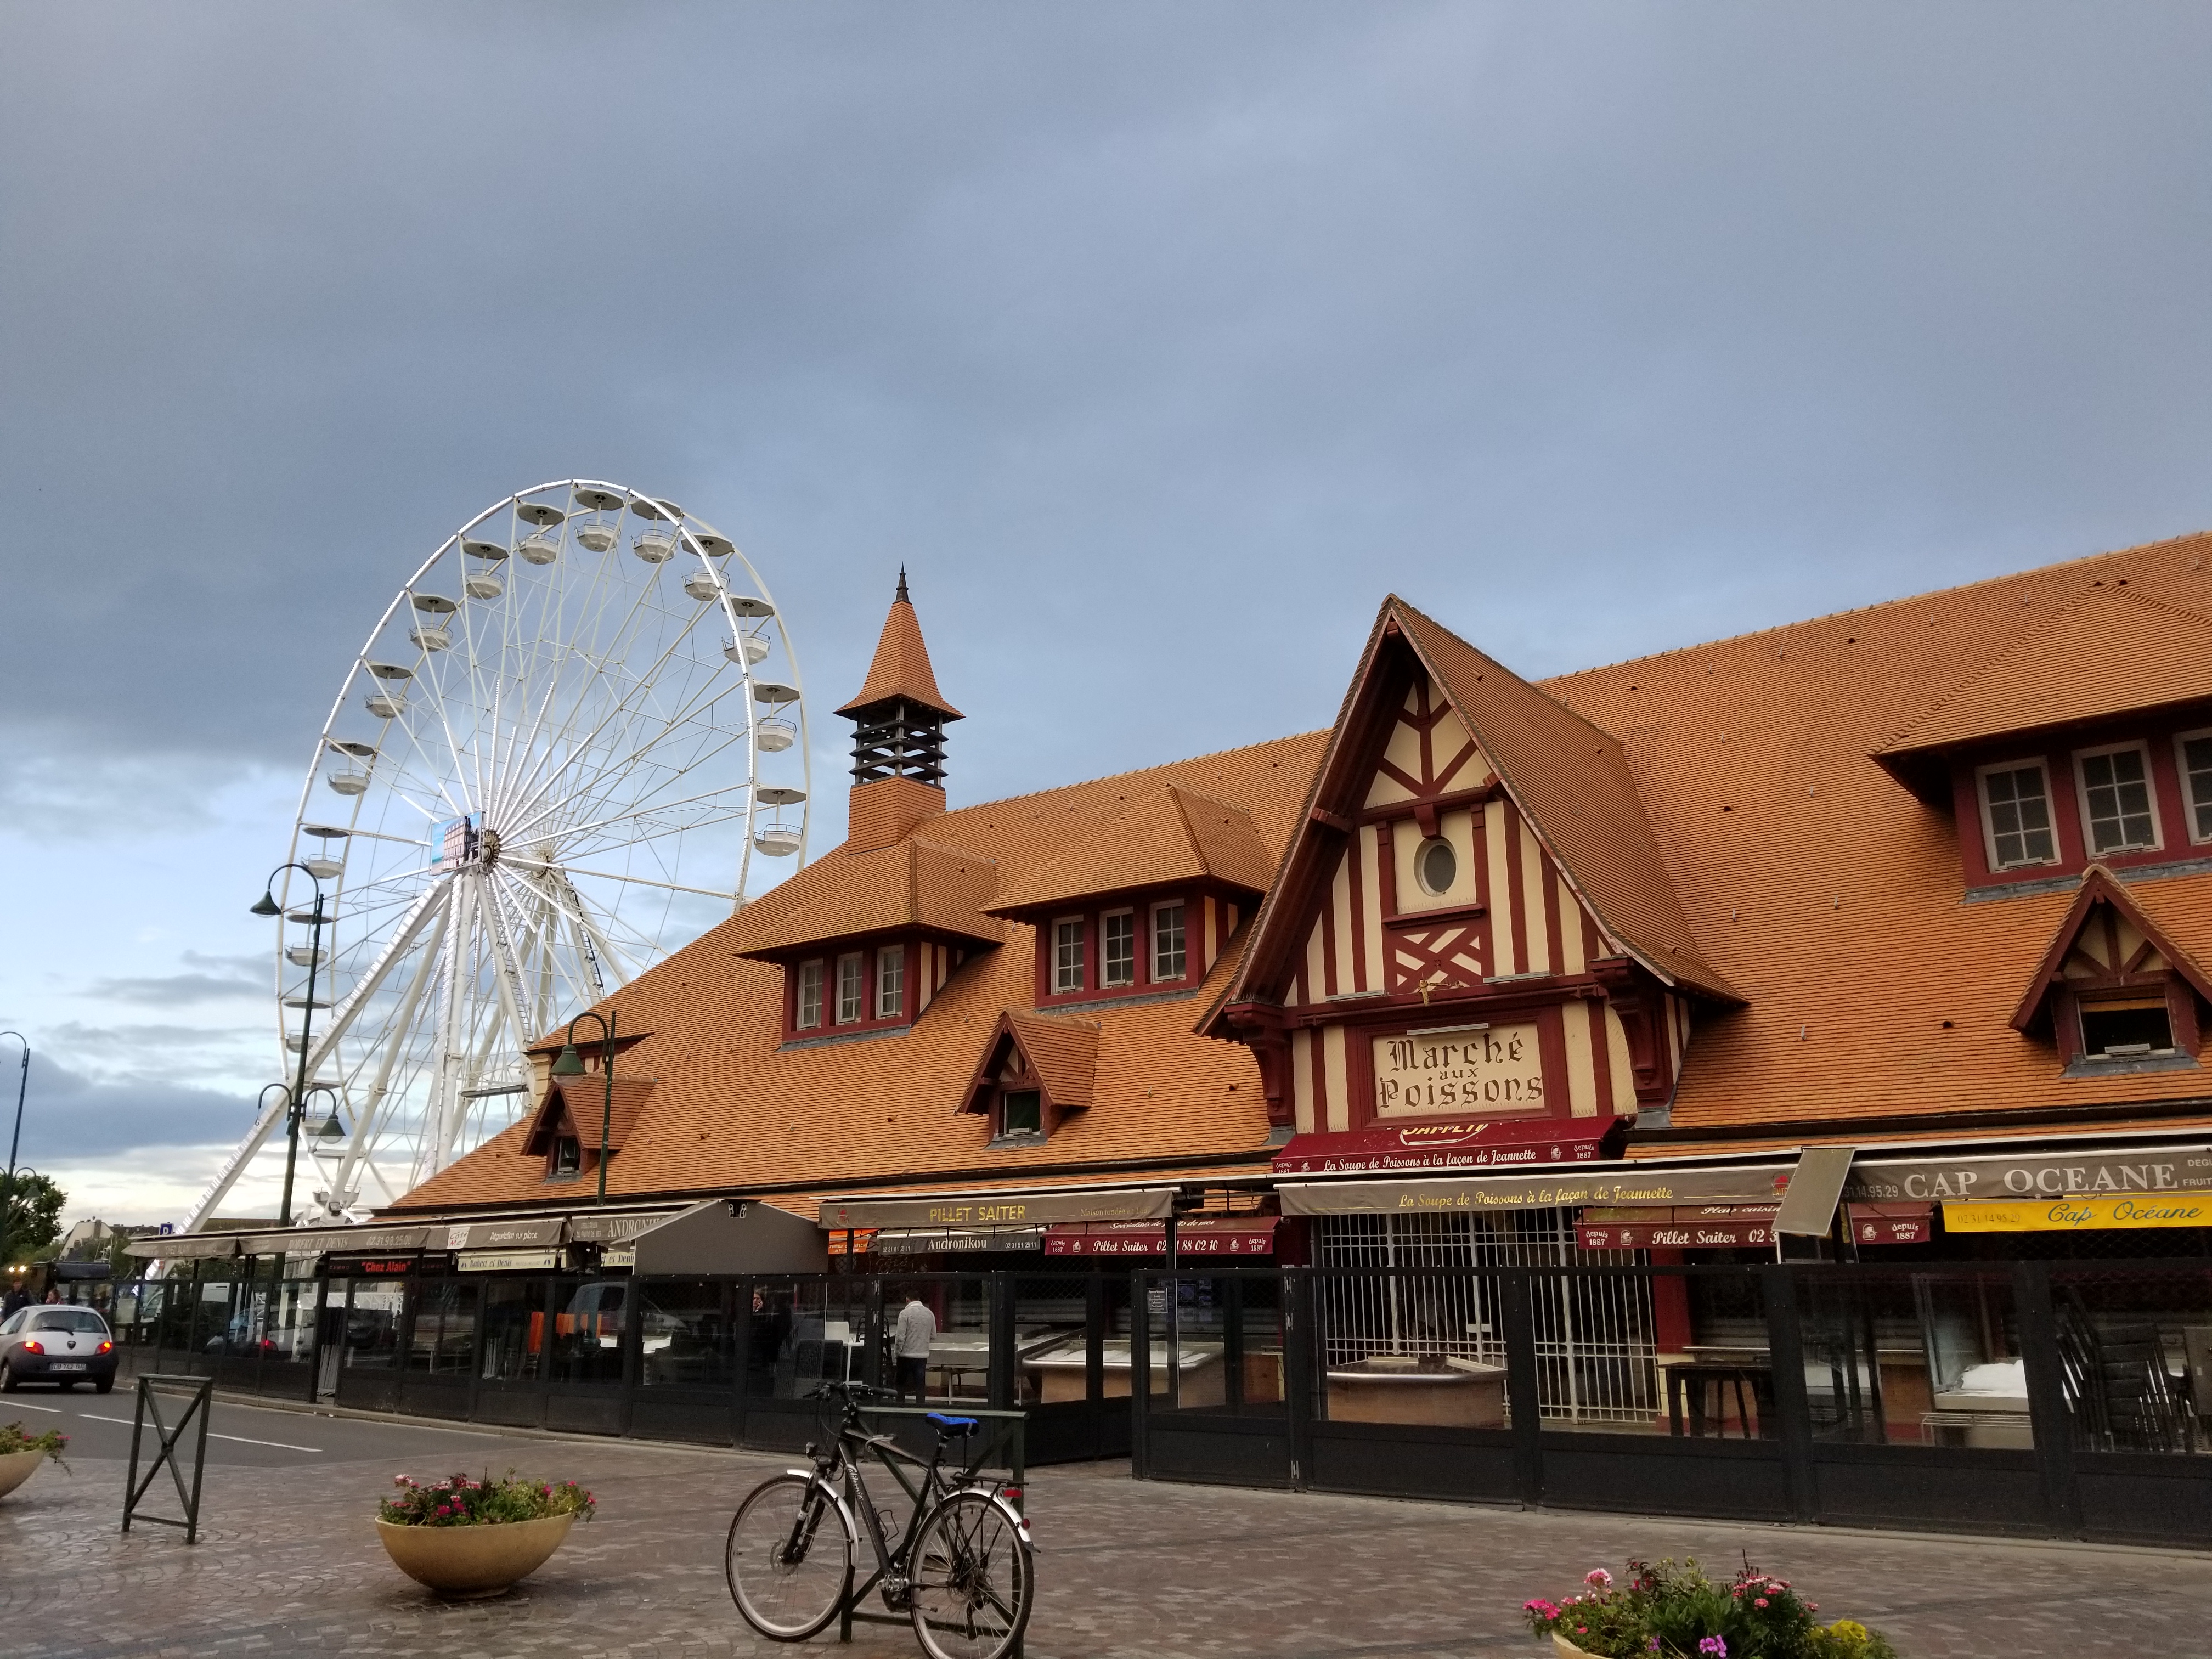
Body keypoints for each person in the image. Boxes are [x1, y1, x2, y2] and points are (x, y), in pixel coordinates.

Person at [892, 1289, 936, 1403]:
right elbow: (934, 1335)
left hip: (905, 1355)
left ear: (907, 1300)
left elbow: (900, 1337)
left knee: (901, 1384)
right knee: (920, 1385)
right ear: (920, 1299)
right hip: (922, 1356)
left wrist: (897, 1352)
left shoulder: (904, 1314)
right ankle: (920, 1408)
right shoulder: (930, 1314)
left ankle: (900, 1407)